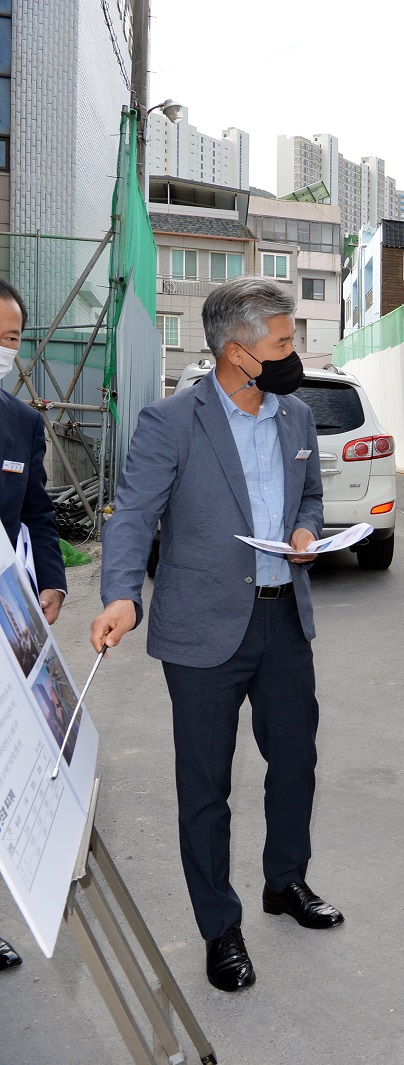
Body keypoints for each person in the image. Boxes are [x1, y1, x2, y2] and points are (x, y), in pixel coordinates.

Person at [91, 277, 341, 994]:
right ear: (237, 353)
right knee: (205, 785)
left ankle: (284, 883)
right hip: (202, 630)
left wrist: (305, 531)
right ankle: (218, 925)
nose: (297, 353)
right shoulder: (172, 421)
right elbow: (134, 515)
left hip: (282, 618)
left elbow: (313, 499)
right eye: (285, 342)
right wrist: (119, 595)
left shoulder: (294, 418)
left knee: (295, 762)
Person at [0, 277, 68, 975]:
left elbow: (39, 511)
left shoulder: (19, 422)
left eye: (13, 338)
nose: (5, 349)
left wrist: (51, 578)